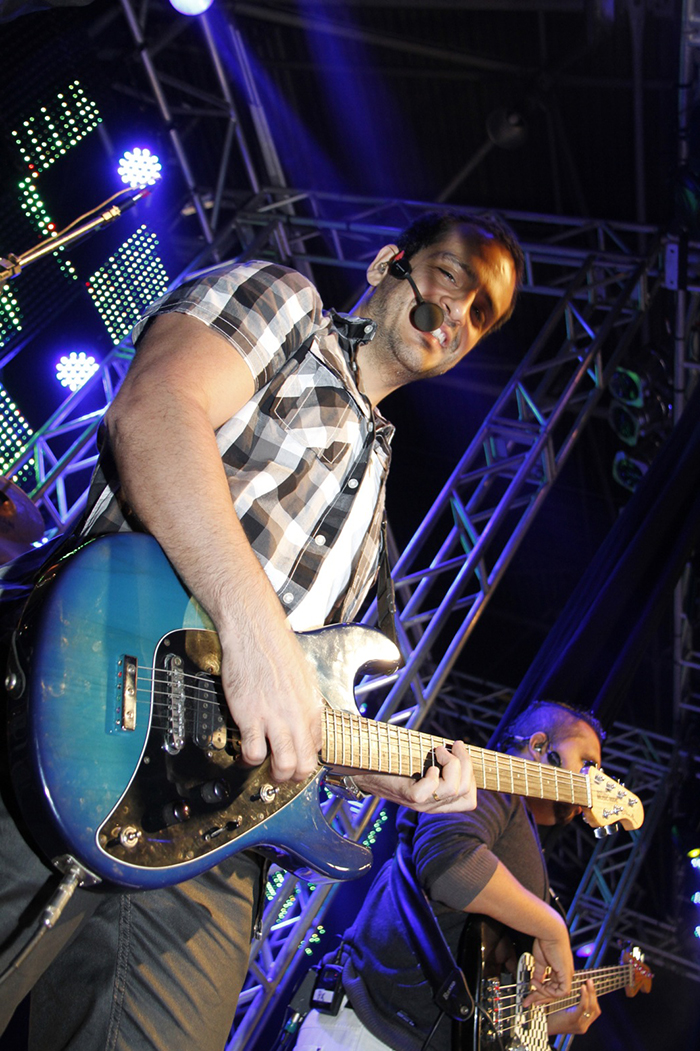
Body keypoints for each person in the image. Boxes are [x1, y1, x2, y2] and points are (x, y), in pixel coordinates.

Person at [0, 210, 523, 1051]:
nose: (459, 313)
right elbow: (155, 410)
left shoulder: (375, 511)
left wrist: (395, 779)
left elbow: (296, 697)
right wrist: (252, 628)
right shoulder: (290, 305)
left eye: (482, 314)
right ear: (388, 264)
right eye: (452, 278)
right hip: (76, 706)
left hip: (210, 833)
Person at [294, 701, 606, 1051]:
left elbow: (481, 988)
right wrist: (551, 927)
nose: (593, 780)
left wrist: (543, 1023)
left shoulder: (519, 825)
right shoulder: (490, 782)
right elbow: (450, 866)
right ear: (539, 746)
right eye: (588, 763)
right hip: (373, 1032)